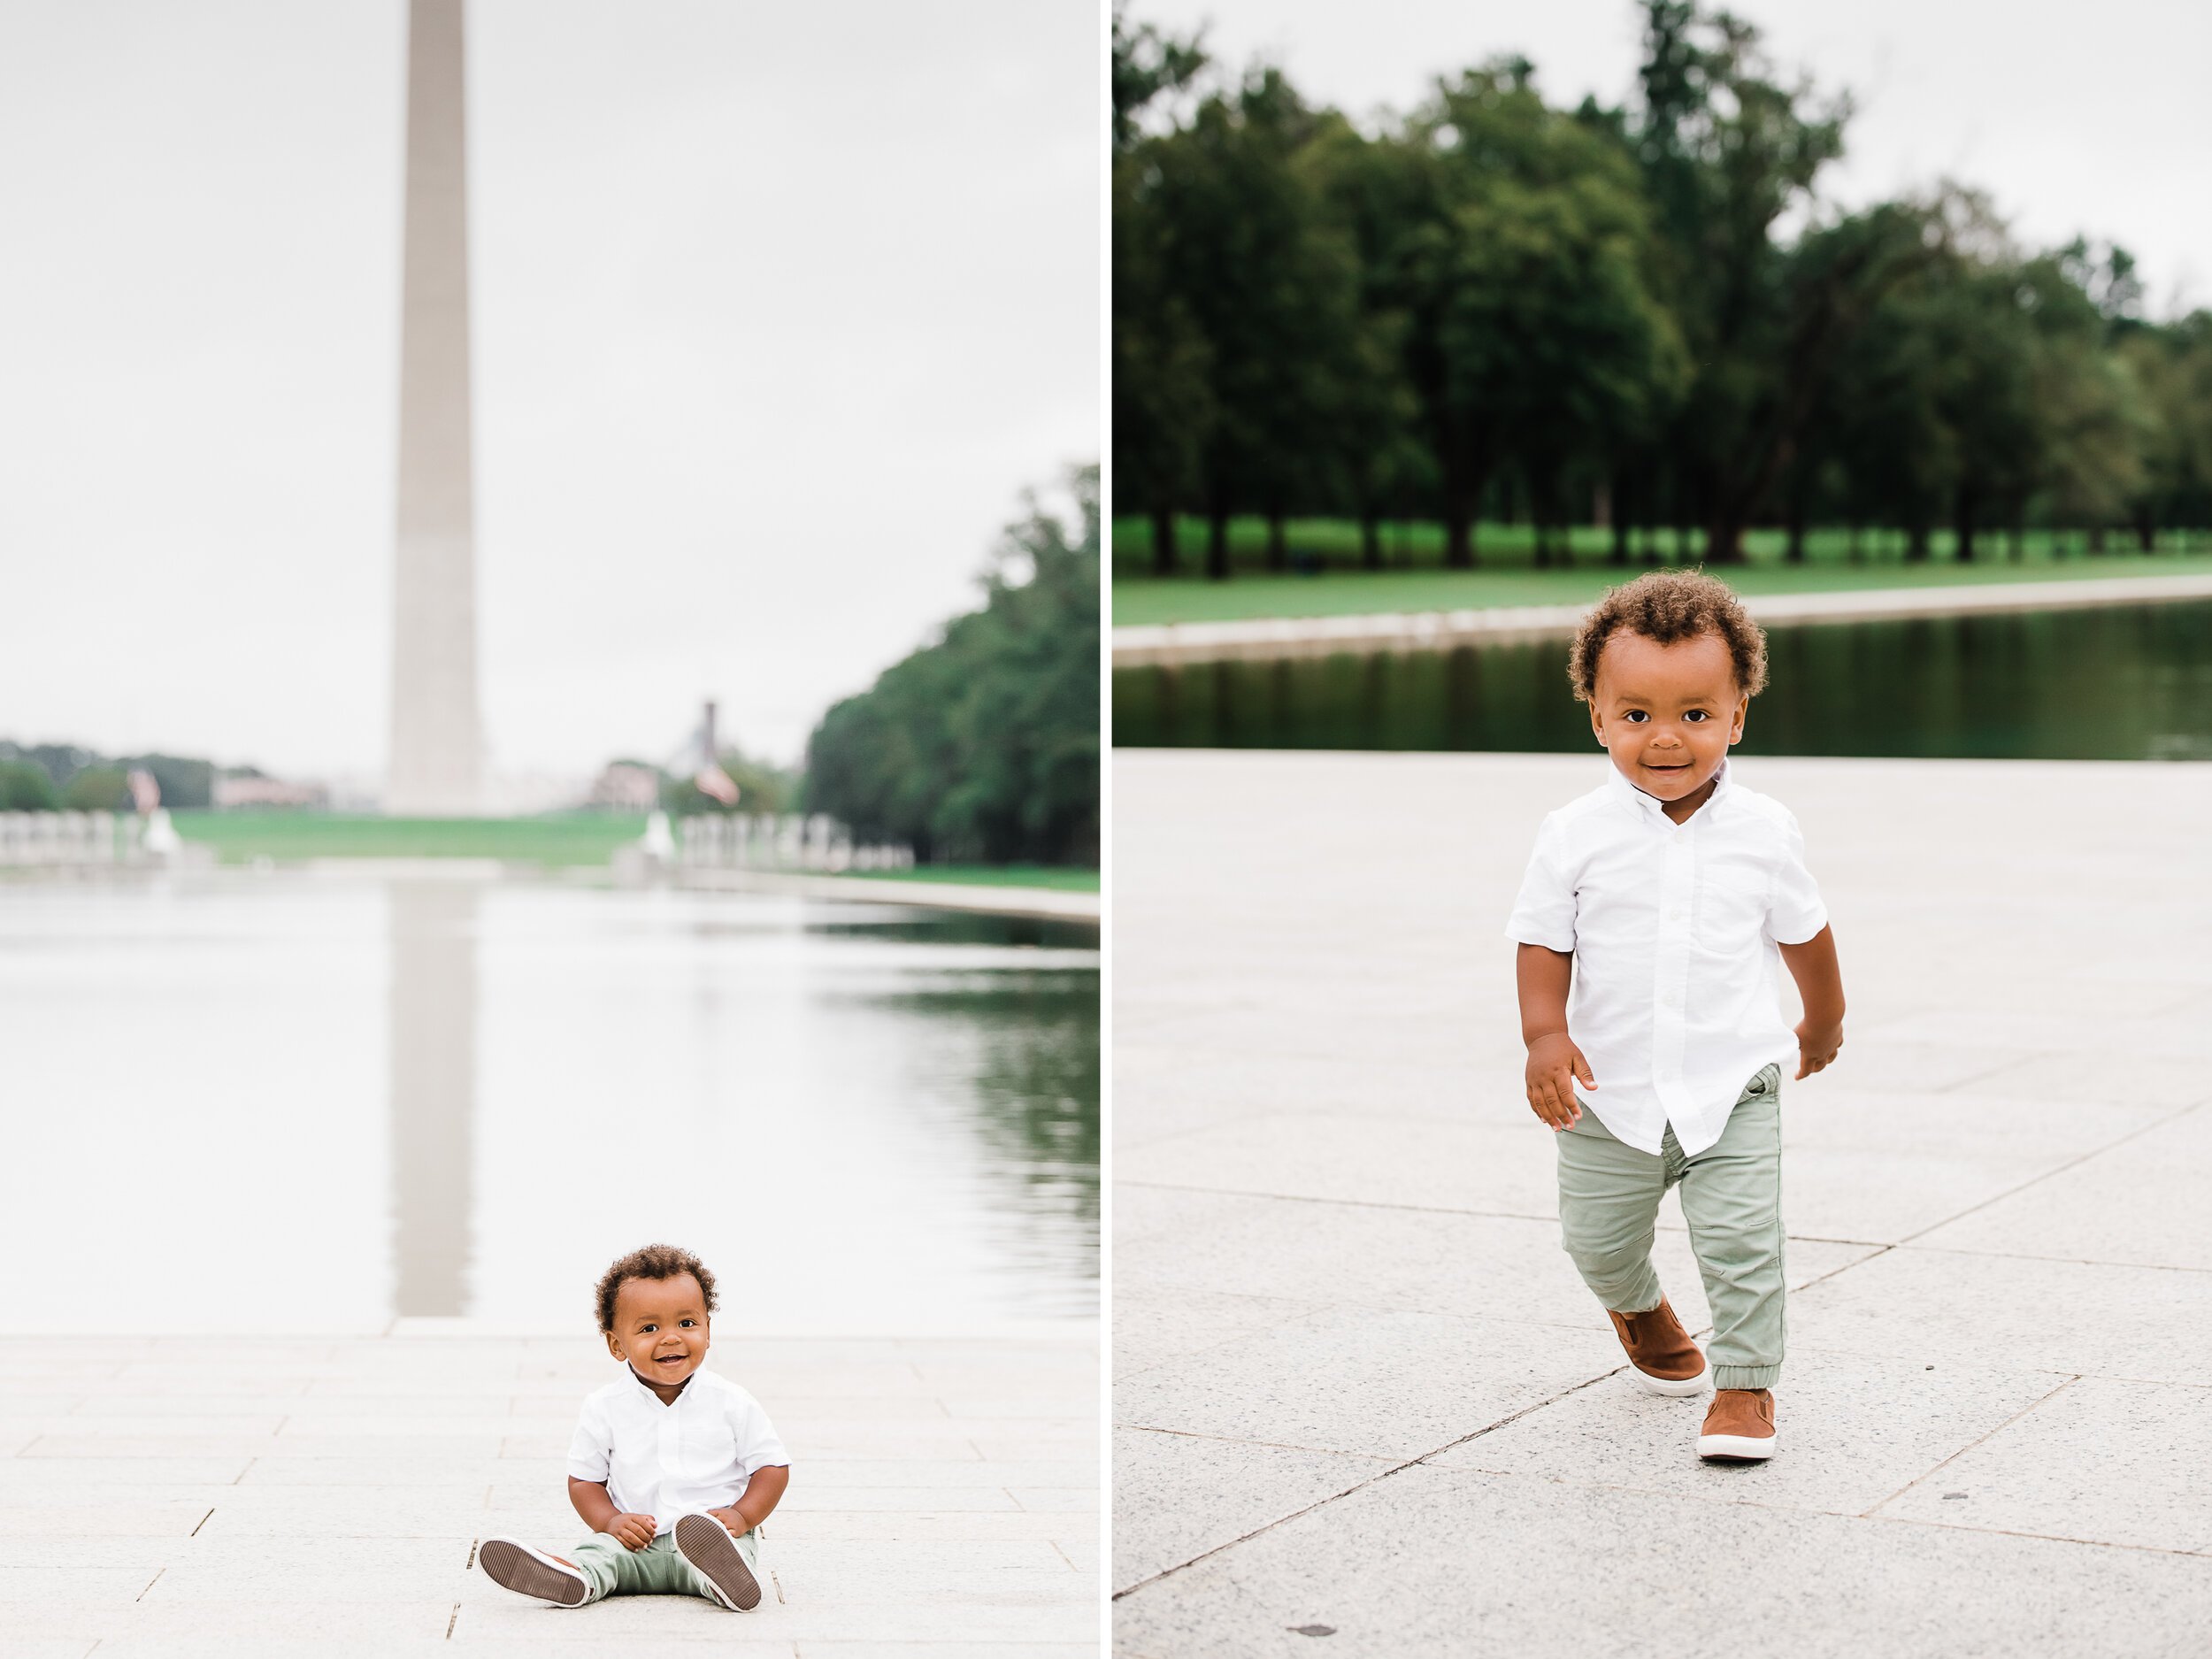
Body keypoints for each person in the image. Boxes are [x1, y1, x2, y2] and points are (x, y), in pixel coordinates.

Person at [1506, 572, 1846, 1462]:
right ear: (1597, 718)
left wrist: (1821, 1022)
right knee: (1595, 1243)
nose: (1665, 737)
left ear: (1737, 716)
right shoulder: (1572, 833)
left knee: (1741, 1242)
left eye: (1695, 714)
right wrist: (1545, 1035)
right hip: (1606, 1094)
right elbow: (1542, 943)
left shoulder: (1764, 830)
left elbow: (1806, 933)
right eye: (1636, 715)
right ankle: (1637, 1305)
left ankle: (1744, 1387)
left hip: (1732, 1086)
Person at [477, 1243, 791, 1609]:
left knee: (725, 1552)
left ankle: (723, 1579)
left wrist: (743, 1514)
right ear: (616, 1344)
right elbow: (584, 1481)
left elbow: (772, 1467)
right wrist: (611, 1522)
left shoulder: (733, 1401)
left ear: (708, 1330)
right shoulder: (604, 1407)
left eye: (687, 1323)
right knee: (601, 1555)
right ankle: (577, 1578)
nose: (671, 1337)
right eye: (649, 1328)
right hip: (635, 1544)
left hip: (712, 1536)